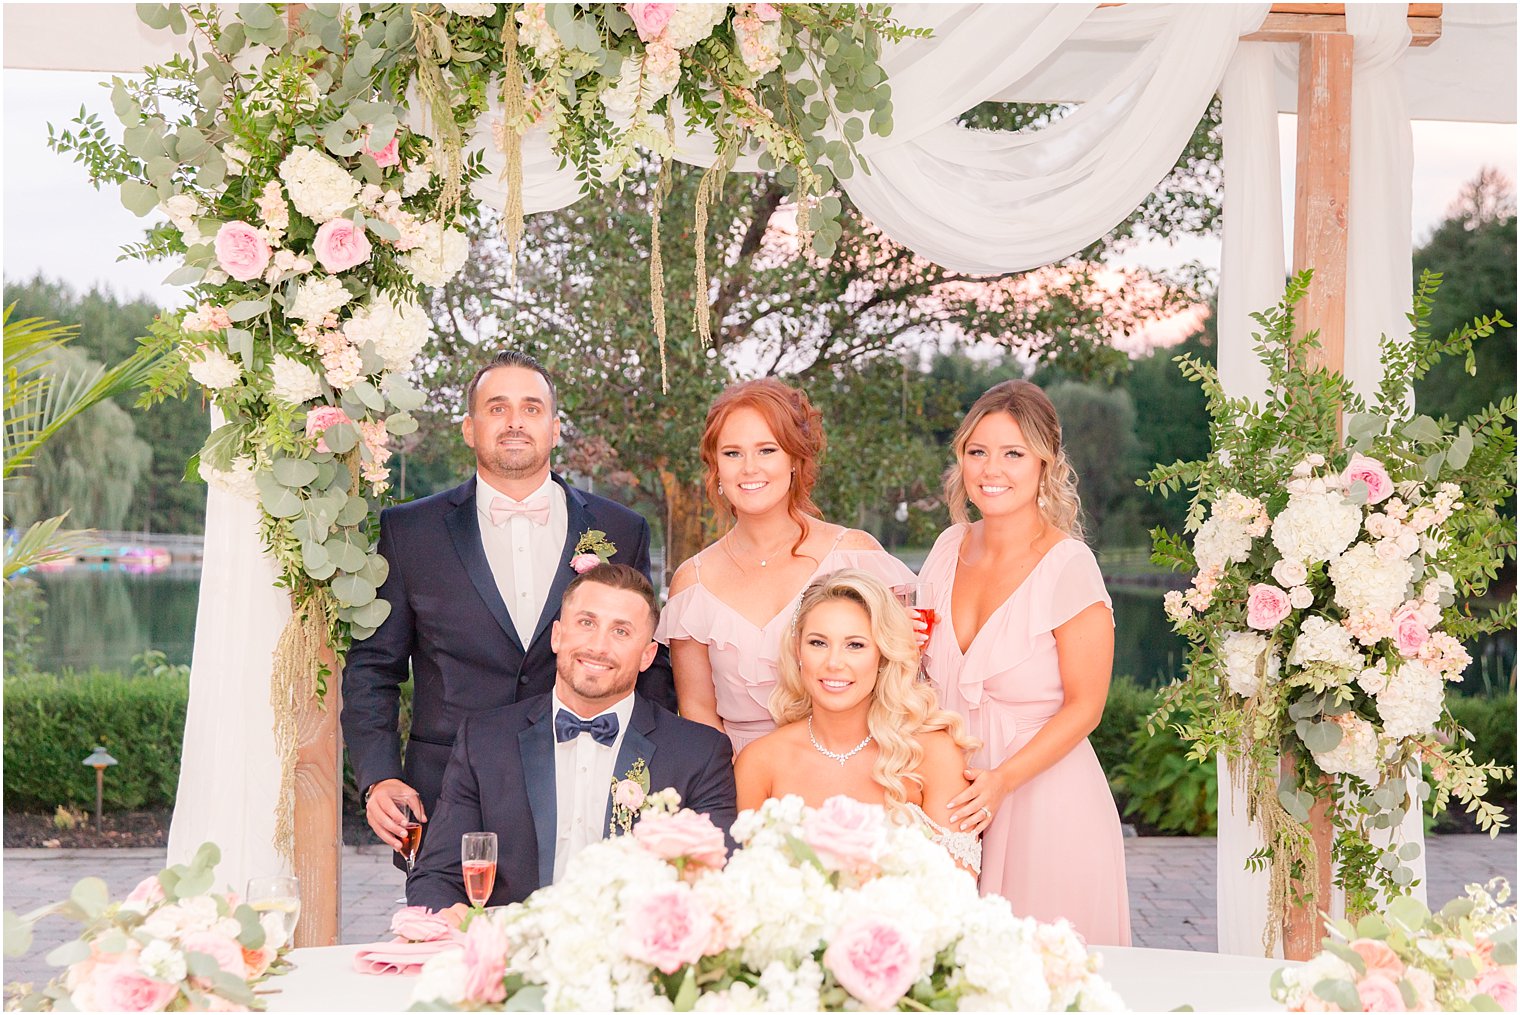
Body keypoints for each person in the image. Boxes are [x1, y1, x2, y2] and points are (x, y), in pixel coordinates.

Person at [341, 350, 676, 860]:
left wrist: (651, 774)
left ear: (556, 428)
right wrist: (380, 776)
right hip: (447, 799)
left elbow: (645, 662)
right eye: (497, 408)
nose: (515, 421)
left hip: (590, 789)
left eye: (531, 408)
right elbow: (373, 666)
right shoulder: (409, 531)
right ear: (469, 428)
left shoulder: (621, 529)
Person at [918, 379, 1130, 945]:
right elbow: (918, 667)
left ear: (1045, 463)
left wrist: (1001, 781)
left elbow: (1086, 707)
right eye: (977, 451)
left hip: (1045, 801)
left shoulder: (1068, 565)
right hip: (949, 798)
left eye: (1014, 453)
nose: (993, 468)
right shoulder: (945, 550)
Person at [407, 564, 737, 909]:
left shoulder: (698, 753)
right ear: (557, 636)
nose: (598, 645)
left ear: (647, 656)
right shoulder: (486, 741)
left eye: (621, 632)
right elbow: (436, 877)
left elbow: (717, 884)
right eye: (586, 623)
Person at [657, 379, 915, 753]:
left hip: (853, 769)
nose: (749, 468)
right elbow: (698, 713)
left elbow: (905, 683)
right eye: (732, 453)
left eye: (766, 450)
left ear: (795, 459)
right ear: (715, 466)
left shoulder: (857, 556)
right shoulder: (692, 584)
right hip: (736, 781)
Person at [735, 569, 981, 875]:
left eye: (855, 645)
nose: (834, 662)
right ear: (798, 650)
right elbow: (749, 887)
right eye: (818, 643)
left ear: (882, 655)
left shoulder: (934, 755)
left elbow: (959, 895)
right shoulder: (760, 762)